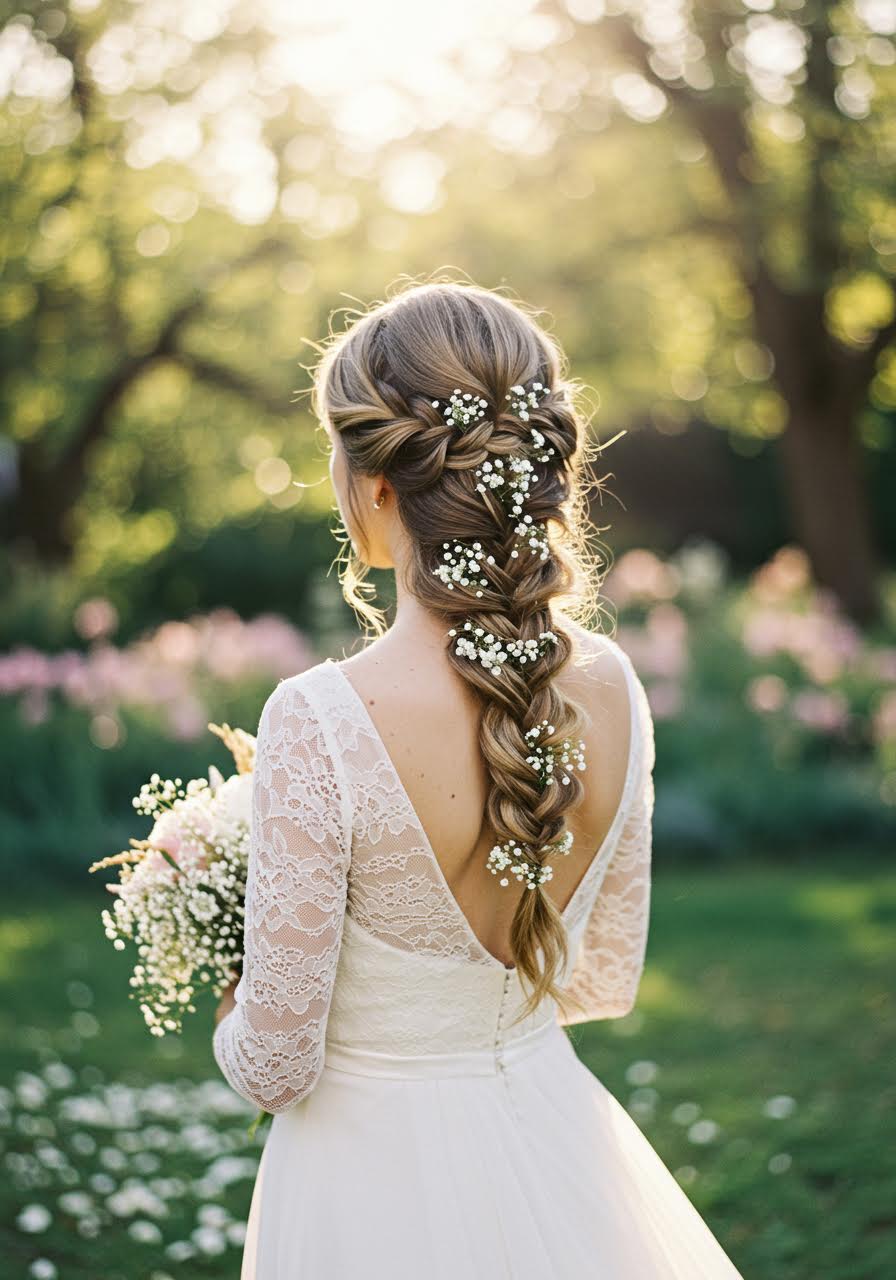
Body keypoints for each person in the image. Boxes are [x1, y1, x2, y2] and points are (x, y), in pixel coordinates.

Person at [212, 280, 745, 1277]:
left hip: (365, 1187)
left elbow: (274, 1067)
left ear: (377, 482)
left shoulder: (320, 719)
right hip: (554, 1143)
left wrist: (230, 990)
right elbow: (597, 979)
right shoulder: (613, 686)